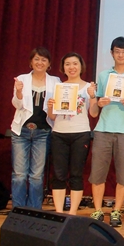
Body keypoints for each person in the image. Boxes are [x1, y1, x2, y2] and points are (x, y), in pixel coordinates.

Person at [89, 36, 124, 227]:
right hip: (103, 129)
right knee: (98, 173)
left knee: (123, 174)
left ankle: (117, 211)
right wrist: (100, 102)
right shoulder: (104, 75)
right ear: (112, 53)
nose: (120, 55)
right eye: (117, 51)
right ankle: (97, 210)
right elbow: (95, 107)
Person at [11, 47, 61, 209]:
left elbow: (57, 109)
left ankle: (34, 209)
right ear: (31, 62)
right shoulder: (22, 79)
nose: (40, 62)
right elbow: (17, 105)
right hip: (21, 131)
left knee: (37, 175)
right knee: (19, 174)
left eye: (44, 60)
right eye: (37, 59)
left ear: (49, 64)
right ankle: (18, 209)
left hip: (43, 132)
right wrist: (19, 92)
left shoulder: (56, 81)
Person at [46, 52, 95, 215]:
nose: (71, 67)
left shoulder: (88, 87)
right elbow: (53, 117)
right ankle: (59, 212)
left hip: (81, 133)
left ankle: (72, 212)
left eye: (75, 63)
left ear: (81, 66)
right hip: (59, 133)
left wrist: (92, 97)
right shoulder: (58, 87)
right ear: (63, 67)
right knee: (58, 174)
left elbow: (94, 113)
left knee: (76, 174)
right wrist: (51, 106)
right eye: (67, 64)